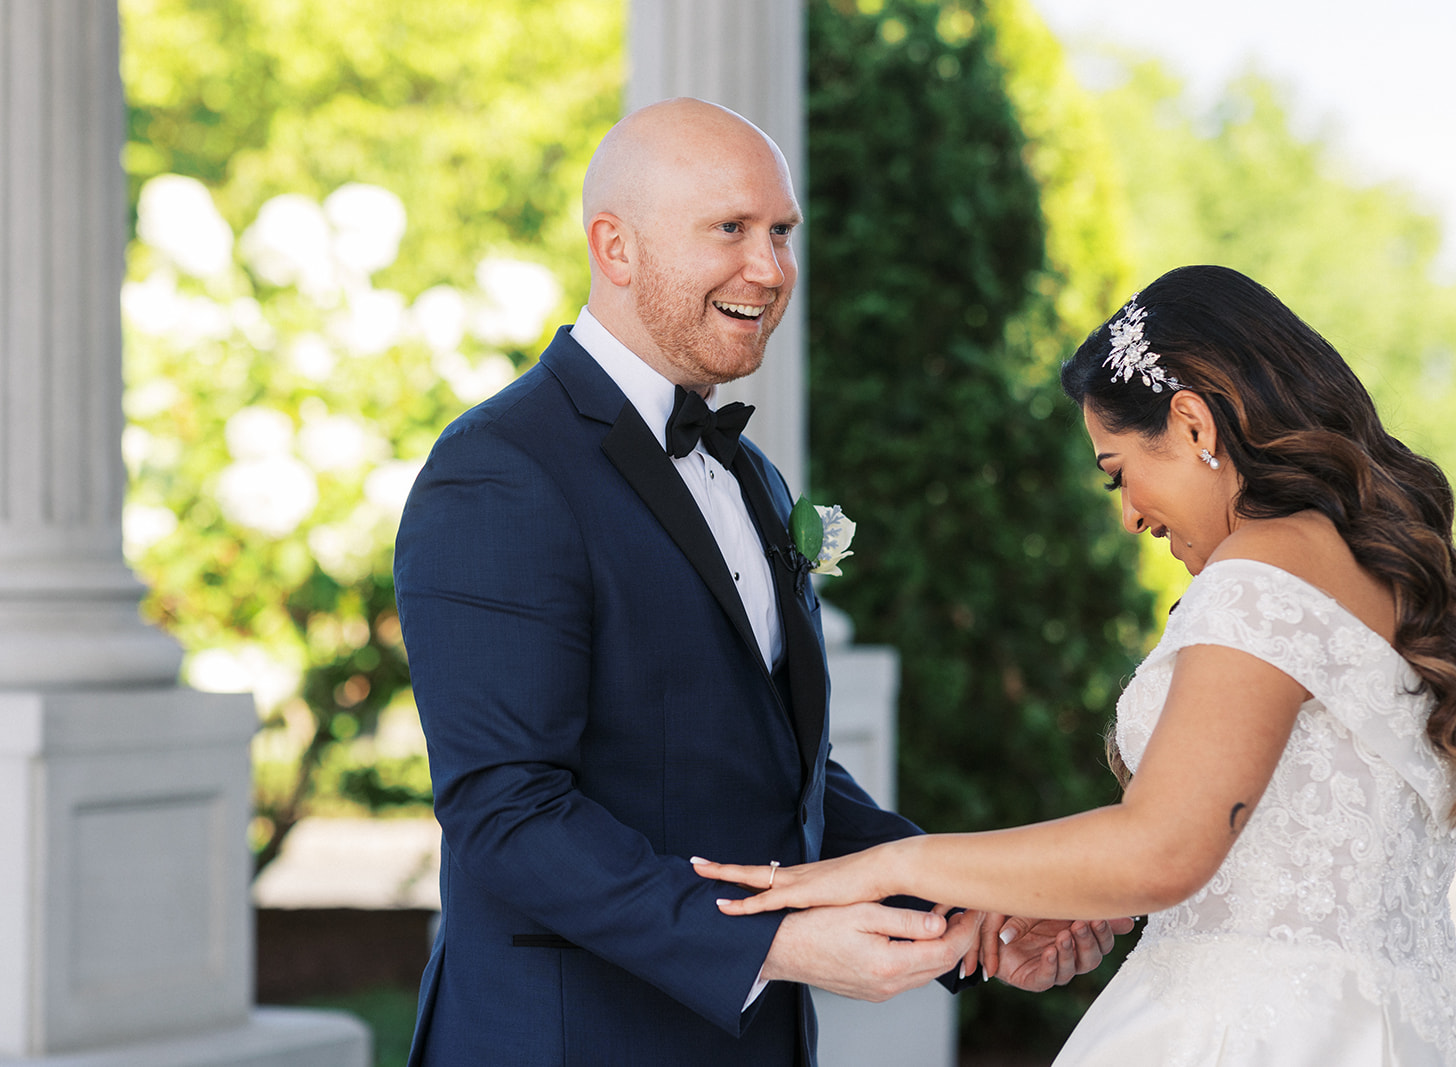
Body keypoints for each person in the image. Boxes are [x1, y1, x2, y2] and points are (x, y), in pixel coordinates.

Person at [392, 96, 1126, 1066]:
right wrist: (772, 940)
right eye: (729, 230)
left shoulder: (753, 477)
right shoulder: (499, 469)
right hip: (567, 1037)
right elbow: (506, 809)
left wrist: (967, 907)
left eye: (781, 232)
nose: (770, 269)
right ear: (614, 248)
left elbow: (783, 776)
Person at [695, 264, 1456, 1064]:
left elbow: (1161, 850)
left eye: (1120, 471)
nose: (1129, 515)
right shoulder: (1391, 583)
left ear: (1194, 424)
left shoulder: (1262, 568)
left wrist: (889, 862)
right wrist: (1090, 894)